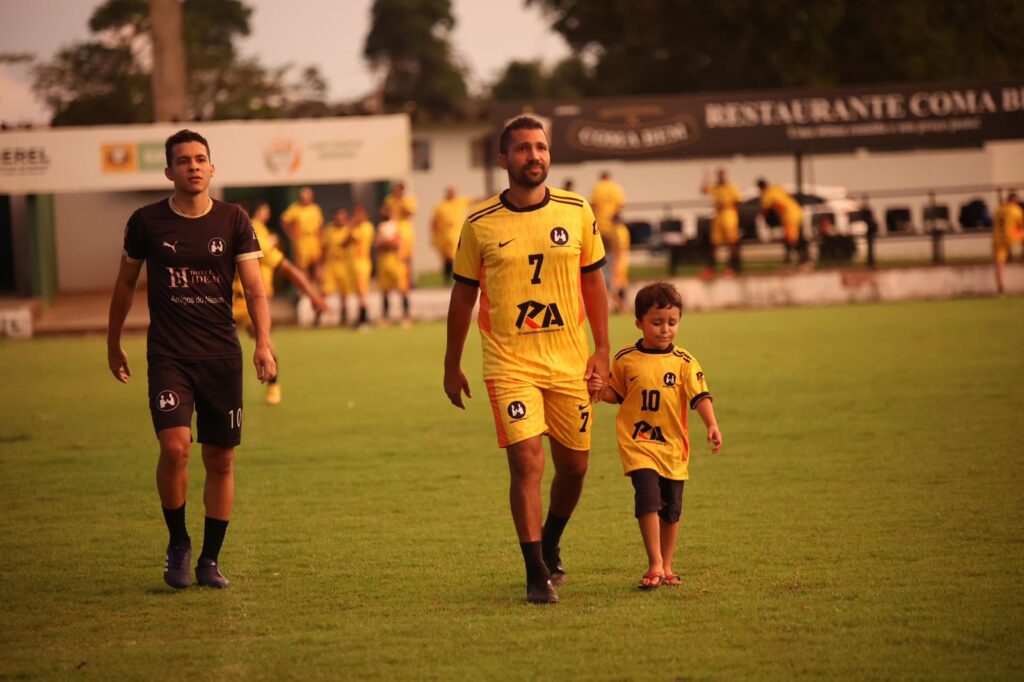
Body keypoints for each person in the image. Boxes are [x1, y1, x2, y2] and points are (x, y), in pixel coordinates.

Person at [443, 116, 610, 605]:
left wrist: (601, 348)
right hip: (509, 362)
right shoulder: (479, 223)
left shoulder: (577, 211)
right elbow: (462, 298)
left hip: (569, 360)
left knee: (575, 468)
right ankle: (535, 571)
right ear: (503, 160)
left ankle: (552, 539)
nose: (533, 156)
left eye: (540, 148)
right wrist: (452, 364)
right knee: (526, 464)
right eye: (521, 149)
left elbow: (595, 282)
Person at [107, 129, 276, 590]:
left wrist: (263, 342)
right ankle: (178, 542)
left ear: (213, 168)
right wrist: (113, 339)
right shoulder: (145, 222)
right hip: (169, 355)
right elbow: (125, 285)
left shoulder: (234, 219)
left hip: (222, 355)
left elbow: (256, 288)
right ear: (169, 171)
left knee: (220, 459)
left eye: (201, 159)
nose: (194, 166)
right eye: (183, 161)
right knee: (175, 447)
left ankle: (209, 559)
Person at [592, 282, 722, 590]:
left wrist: (712, 425)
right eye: (657, 322)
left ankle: (666, 564)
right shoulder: (625, 359)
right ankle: (654, 564)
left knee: (671, 510)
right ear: (639, 322)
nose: (665, 330)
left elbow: (700, 396)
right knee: (648, 497)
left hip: (673, 447)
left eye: (672, 323)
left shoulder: (685, 362)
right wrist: (601, 389)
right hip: (638, 443)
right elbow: (617, 394)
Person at [231, 201, 326, 405]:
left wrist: (314, 296)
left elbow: (289, 270)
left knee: (263, 342)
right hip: (219, 304)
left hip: (248, 304)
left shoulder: (256, 242)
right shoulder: (214, 240)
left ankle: (273, 384)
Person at [701, 168, 743, 277]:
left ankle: (732, 267)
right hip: (718, 215)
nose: (720, 177)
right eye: (718, 175)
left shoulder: (731, 187)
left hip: (729, 214)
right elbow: (704, 190)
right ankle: (711, 269)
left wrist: (727, 205)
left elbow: (738, 200)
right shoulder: (716, 187)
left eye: (722, 175)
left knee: (732, 242)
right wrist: (706, 176)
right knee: (715, 243)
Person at [757, 178, 807, 268]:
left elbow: (764, 210)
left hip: (788, 215)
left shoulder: (767, 194)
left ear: (760, 188)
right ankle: (793, 261)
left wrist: (760, 218)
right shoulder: (776, 188)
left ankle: (801, 261)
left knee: (791, 240)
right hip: (797, 211)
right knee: (793, 238)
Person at [375, 206, 412, 326]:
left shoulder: (397, 225)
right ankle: (386, 317)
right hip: (384, 262)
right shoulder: (380, 226)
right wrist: (386, 243)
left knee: (403, 289)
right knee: (385, 291)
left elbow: (397, 242)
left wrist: (385, 243)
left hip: (397, 262)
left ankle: (406, 316)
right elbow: (377, 244)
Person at [280, 186, 325, 281]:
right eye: (303, 197)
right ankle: (305, 289)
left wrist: (321, 239)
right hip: (302, 240)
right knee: (302, 266)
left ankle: (316, 288)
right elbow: (283, 220)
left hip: (314, 239)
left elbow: (320, 226)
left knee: (317, 265)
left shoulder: (315, 209)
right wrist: (291, 233)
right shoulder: (295, 208)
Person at [590, 170, 627, 280]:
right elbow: (621, 205)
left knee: (600, 255)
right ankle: (615, 279)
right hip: (613, 227)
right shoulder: (616, 188)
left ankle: (603, 278)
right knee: (615, 255)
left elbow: (593, 205)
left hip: (600, 226)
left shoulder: (596, 188)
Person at [344, 203, 375, 329]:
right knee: (359, 293)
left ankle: (364, 320)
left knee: (362, 293)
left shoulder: (366, 228)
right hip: (354, 264)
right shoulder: (358, 227)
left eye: (359, 214)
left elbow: (349, 240)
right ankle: (361, 318)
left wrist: (351, 225)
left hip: (362, 263)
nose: (356, 217)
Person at [431, 186, 471, 282]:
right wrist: (435, 236)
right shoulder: (441, 205)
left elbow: (475, 200)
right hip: (444, 235)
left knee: (453, 256)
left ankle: (456, 276)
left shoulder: (460, 202)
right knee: (446, 258)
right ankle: (447, 276)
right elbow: (435, 222)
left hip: (456, 234)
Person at [321, 208, 353, 325]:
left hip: (344, 265)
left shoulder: (349, 230)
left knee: (344, 295)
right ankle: (318, 315)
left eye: (342, 218)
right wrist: (320, 266)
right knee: (325, 292)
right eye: (338, 217)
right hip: (331, 265)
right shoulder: (329, 230)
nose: (340, 220)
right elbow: (323, 248)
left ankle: (344, 318)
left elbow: (350, 242)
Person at [993, 191, 1023, 295]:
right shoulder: (1016, 210)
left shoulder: (999, 209)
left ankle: (1000, 286)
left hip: (998, 238)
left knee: (999, 263)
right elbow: (1021, 224)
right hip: (1012, 237)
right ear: (1014, 200)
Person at [610, 213, 631, 313]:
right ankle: (620, 306)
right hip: (623, 257)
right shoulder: (623, 229)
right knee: (622, 283)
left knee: (616, 283)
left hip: (620, 258)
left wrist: (615, 261)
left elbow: (620, 246)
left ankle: (621, 305)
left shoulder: (618, 230)